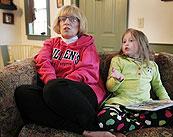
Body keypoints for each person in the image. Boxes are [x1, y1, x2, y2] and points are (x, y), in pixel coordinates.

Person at [14, 5, 117, 137]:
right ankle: (85, 131)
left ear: (80, 24)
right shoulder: (50, 43)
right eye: (63, 19)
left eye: (73, 19)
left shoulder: (87, 44)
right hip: (55, 91)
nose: (67, 22)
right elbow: (42, 61)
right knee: (22, 93)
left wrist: (60, 85)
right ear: (58, 23)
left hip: (83, 92)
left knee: (54, 88)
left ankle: (93, 124)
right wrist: (52, 84)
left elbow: (88, 70)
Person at [97, 28, 173, 135]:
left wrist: (166, 100)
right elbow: (110, 88)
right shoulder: (118, 60)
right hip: (121, 105)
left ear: (142, 44)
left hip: (144, 107)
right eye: (124, 42)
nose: (126, 44)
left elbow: (158, 87)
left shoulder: (152, 65)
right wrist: (116, 79)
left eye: (131, 41)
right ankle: (139, 123)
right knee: (103, 119)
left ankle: (130, 123)